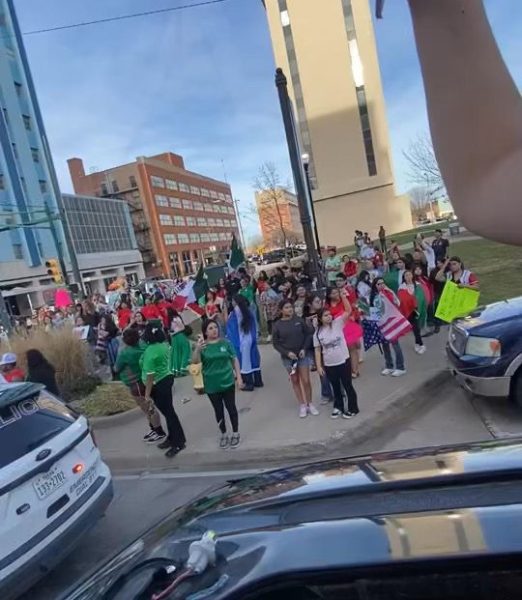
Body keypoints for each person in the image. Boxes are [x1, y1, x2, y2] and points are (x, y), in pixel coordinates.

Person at [193, 320, 243, 449]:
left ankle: (236, 433)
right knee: (218, 410)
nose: (214, 330)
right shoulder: (203, 347)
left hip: (227, 382)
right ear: (205, 331)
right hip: (211, 385)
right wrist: (197, 350)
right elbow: (195, 362)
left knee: (231, 408)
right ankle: (224, 434)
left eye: (215, 327)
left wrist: (239, 378)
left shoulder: (225, 343)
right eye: (210, 328)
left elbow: (234, 359)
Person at [141, 322, 186, 458]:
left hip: (158, 385)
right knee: (168, 413)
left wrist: (147, 395)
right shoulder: (164, 345)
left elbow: (150, 375)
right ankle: (172, 438)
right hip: (166, 380)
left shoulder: (151, 351)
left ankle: (179, 442)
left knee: (170, 414)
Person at [114, 328, 166, 443]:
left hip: (135, 383)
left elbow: (116, 368)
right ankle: (154, 428)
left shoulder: (125, 353)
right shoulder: (143, 346)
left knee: (147, 408)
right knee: (149, 407)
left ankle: (159, 431)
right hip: (145, 379)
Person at [314, 289, 359, 419]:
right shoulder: (318, 333)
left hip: (343, 361)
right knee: (335, 387)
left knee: (347, 385)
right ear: (320, 319)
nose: (329, 317)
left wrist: (343, 297)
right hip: (329, 364)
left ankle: (353, 408)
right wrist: (319, 366)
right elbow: (317, 350)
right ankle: (338, 406)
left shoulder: (338, 323)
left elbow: (348, 310)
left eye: (329, 314)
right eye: (325, 315)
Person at [272, 299, 319, 418]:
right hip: (288, 359)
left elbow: (308, 334)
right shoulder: (277, 325)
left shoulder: (299, 320)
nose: (290, 309)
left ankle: (310, 403)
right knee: (295, 380)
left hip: (302, 355)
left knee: (306, 380)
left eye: (291, 307)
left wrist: (304, 348)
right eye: (287, 308)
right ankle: (302, 405)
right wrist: (287, 353)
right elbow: (276, 344)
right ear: (281, 310)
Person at [369, 278, 406, 376]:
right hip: (381, 324)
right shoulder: (373, 296)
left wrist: (391, 292)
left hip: (391, 322)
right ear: (375, 286)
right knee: (385, 346)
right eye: (378, 284)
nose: (381, 285)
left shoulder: (388, 293)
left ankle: (400, 367)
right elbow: (373, 311)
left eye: (382, 283)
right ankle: (389, 365)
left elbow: (398, 303)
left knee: (395, 345)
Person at [226, 295, 262, 391]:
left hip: (242, 341)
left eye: (233, 300)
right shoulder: (247, 310)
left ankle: (248, 384)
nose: (232, 302)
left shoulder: (236, 312)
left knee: (245, 362)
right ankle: (258, 381)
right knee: (253, 359)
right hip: (251, 338)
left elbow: (232, 328)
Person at [398, 271, 426, 354]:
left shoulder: (418, 285)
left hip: (417, 309)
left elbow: (422, 297)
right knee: (415, 328)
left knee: (416, 327)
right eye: (406, 275)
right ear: (404, 277)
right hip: (408, 310)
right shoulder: (402, 287)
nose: (408, 276)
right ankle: (419, 344)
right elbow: (401, 300)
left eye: (410, 274)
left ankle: (419, 344)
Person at [168, 308, 191, 377]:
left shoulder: (176, 318)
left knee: (183, 352)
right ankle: (178, 370)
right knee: (176, 353)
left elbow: (182, 327)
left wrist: (174, 333)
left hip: (179, 336)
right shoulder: (171, 320)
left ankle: (182, 369)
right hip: (175, 338)